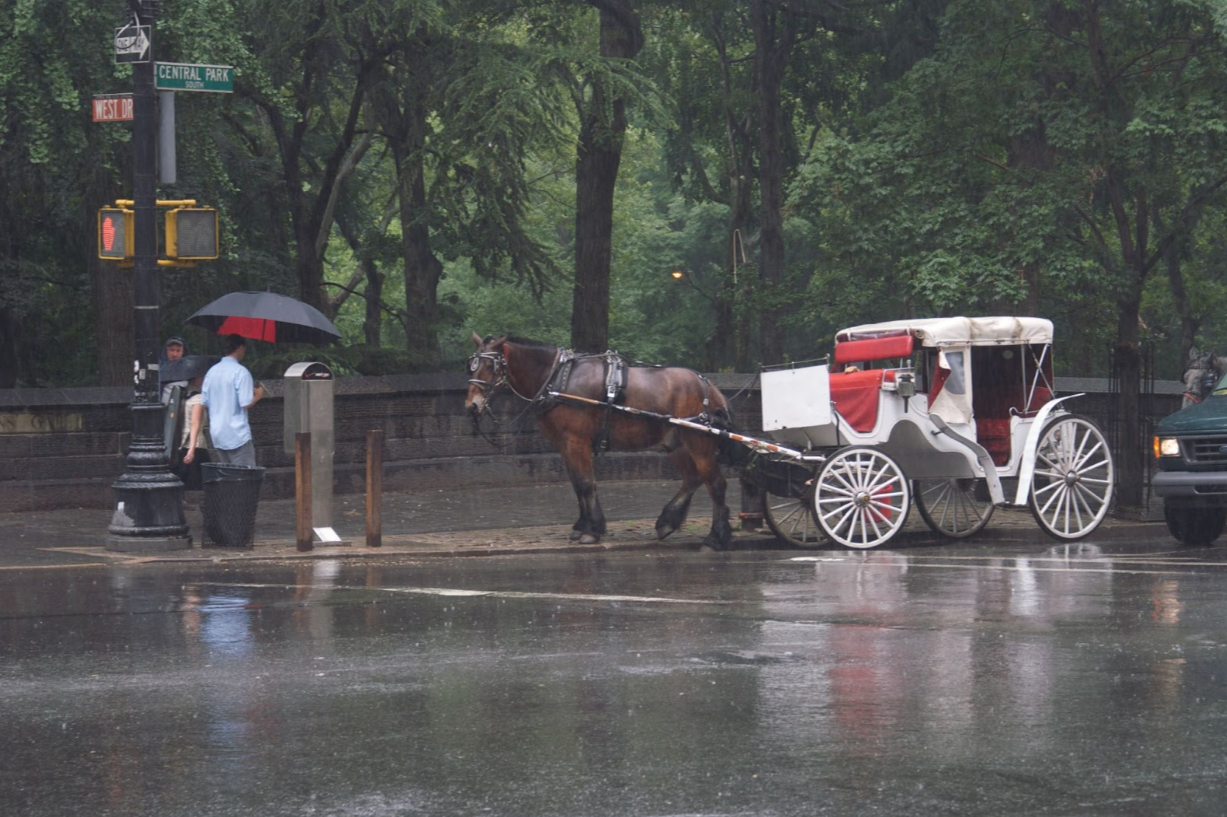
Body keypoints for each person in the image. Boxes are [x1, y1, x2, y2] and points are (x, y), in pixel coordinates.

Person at [201, 335, 265, 466]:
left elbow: (205, 403)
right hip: (237, 434)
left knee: (228, 477)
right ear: (241, 348)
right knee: (245, 478)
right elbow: (245, 403)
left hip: (217, 433)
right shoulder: (241, 372)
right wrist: (258, 395)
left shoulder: (211, 372)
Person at [174, 373, 212, 490]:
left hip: (181, 442)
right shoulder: (198, 398)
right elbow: (195, 424)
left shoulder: (183, 396)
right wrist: (192, 450)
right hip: (195, 444)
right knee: (206, 479)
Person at [159, 336, 190, 404]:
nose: (175, 354)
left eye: (178, 351)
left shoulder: (189, 371)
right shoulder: (158, 369)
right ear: (166, 351)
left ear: (183, 352)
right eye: (172, 350)